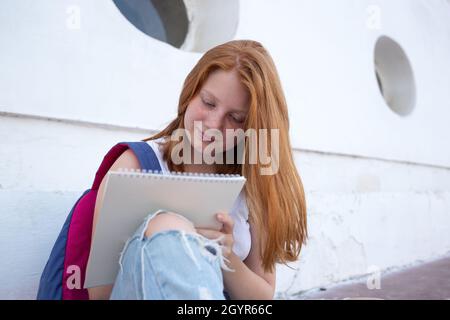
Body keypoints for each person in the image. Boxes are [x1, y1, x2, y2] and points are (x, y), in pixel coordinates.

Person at [87, 40, 308, 300]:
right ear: (191, 92)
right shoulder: (133, 166)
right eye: (209, 102)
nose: (214, 124)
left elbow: (262, 297)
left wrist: (226, 256)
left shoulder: (252, 185)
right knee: (169, 224)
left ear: (252, 127)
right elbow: (100, 294)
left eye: (235, 118)